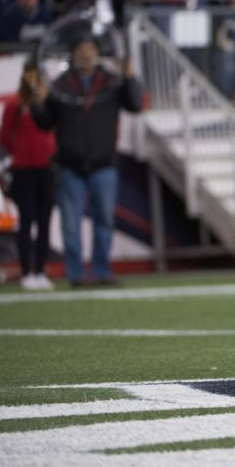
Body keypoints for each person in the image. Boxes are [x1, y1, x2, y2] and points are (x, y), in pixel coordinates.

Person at [29, 36, 144, 287]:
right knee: (71, 225)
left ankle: (102, 271)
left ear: (97, 53)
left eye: (90, 50)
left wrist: (131, 76)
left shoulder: (111, 82)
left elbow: (135, 105)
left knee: (105, 221)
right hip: (70, 165)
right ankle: (76, 275)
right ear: (73, 54)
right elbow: (45, 122)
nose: (85, 55)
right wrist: (37, 102)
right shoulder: (62, 85)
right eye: (80, 50)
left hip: (104, 164)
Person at [0, 62, 58, 290]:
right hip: (23, 170)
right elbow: (5, 136)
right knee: (26, 221)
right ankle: (26, 272)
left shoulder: (49, 104)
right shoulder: (14, 104)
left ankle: (41, 271)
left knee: (44, 222)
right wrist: (20, 153)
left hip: (46, 169)